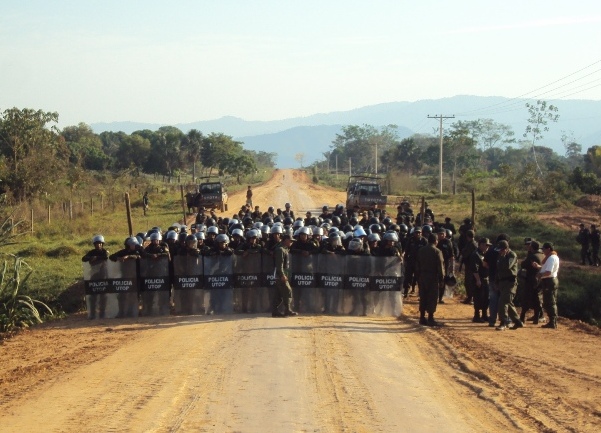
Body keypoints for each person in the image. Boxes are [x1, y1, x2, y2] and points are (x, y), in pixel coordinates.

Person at [415, 234, 445, 326]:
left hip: (422, 276)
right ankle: (430, 318)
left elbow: (417, 264)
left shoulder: (421, 250)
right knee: (432, 297)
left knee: (423, 296)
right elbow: (440, 266)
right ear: (436, 241)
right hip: (433, 277)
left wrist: (418, 276)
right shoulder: (437, 251)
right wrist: (441, 279)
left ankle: (422, 317)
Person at [495, 240, 524, 331]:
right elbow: (498, 269)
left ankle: (504, 322)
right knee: (508, 302)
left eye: (501, 250)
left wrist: (503, 257)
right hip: (503, 282)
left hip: (510, 283)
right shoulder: (501, 256)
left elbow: (508, 266)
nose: (499, 252)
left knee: (502, 302)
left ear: (506, 249)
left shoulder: (512, 255)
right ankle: (517, 321)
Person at [533, 242, 560, 329]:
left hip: (549, 281)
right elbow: (546, 269)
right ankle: (552, 321)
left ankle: (553, 322)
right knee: (549, 301)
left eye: (544, 249)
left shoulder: (551, 258)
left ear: (548, 249)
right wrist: (539, 267)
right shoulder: (550, 257)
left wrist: (540, 275)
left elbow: (548, 272)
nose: (543, 251)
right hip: (549, 280)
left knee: (550, 302)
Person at [271, 234, 298, 317]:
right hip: (280, 275)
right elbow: (279, 265)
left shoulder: (284, 249)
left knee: (279, 294)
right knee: (288, 291)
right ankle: (288, 310)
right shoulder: (280, 250)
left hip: (281, 274)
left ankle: (275, 311)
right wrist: (282, 275)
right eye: (290, 241)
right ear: (285, 240)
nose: (291, 243)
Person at [519, 239, 545, 324]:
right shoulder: (543, 255)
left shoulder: (532, 256)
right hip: (540, 279)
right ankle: (537, 317)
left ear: (532, 247)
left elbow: (523, 265)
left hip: (531, 279)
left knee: (526, 298)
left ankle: (522, 317)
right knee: (537, 298)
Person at [468, 238, 492, 323]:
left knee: (486, 298)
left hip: (486, 279)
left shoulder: (486, 254)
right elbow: (475, 269)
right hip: (478, 278)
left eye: (488, 246)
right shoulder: (476, 254)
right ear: (481, 245)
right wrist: (478, 280)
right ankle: (477, 315)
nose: (487, 247)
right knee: (478, 298)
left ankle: (484, 315)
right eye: (486, 245)